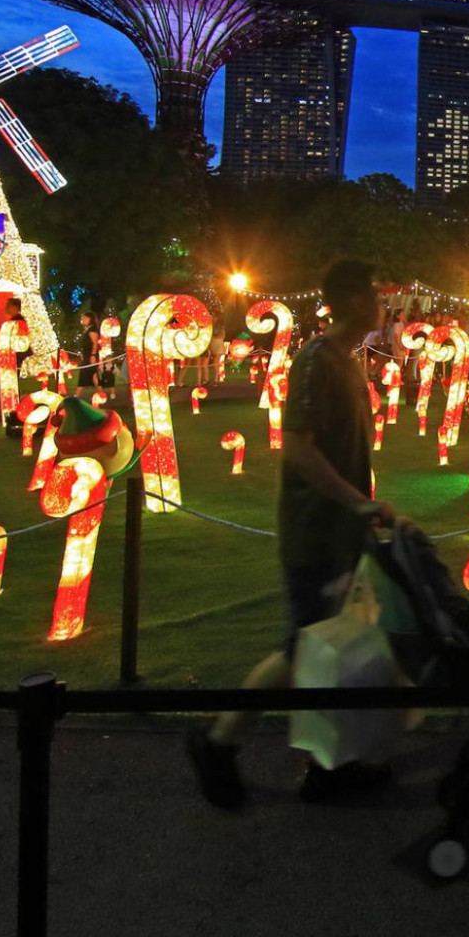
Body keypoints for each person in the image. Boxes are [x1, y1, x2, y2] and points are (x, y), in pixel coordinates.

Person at [187, 258, 403, 808]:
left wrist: (367, 505)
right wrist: (358, 502)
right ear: (355, 301)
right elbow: (300, 447)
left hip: (344, 532)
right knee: (305, 649)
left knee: (328, 649)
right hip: (317, 531)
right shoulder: (315, 361)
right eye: (376, 294)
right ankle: (219, 739)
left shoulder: (349, 363)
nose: (383, 304)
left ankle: (332, 763)